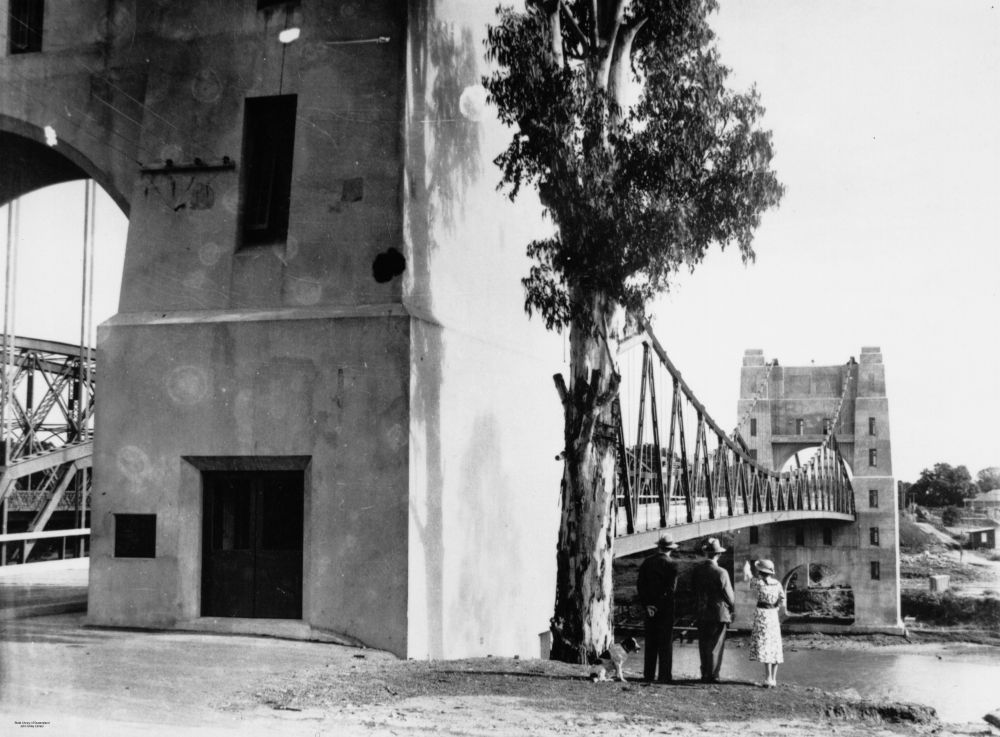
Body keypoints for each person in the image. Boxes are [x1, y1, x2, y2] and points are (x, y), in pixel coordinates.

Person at [690, 537, 734, 683]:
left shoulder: (697, 570)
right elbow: (729, 596)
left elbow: (693, 591)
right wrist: (733, 608)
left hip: (702, 612)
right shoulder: (722, 572)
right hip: (718, 613)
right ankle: (713, 675)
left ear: (706, 553)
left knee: (703, 644)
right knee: (716, 645)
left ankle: (704, 674)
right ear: (718, 554)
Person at [636, 535, 679, 683]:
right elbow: (671, 590)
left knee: (651, 642)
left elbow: (640, 586)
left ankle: (648, 675)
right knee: (665, 644)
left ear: (659, 547)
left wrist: (648, 605)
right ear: (670, 549)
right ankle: (664, 676)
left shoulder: (647, 562)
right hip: (666, 609)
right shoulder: (672, 564)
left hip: (649, 609)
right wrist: (658, 605)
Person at [743, 558, 786, 687]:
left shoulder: (758, 583)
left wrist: (746, 565)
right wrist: (776, 607)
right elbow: (782, 599)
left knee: (765, 645)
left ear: (760, 572)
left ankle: (768, 679)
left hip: (762, 614)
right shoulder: (777, 583)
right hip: (773, 615)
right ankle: (774, 679)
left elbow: (747, 576)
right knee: (775, 645)